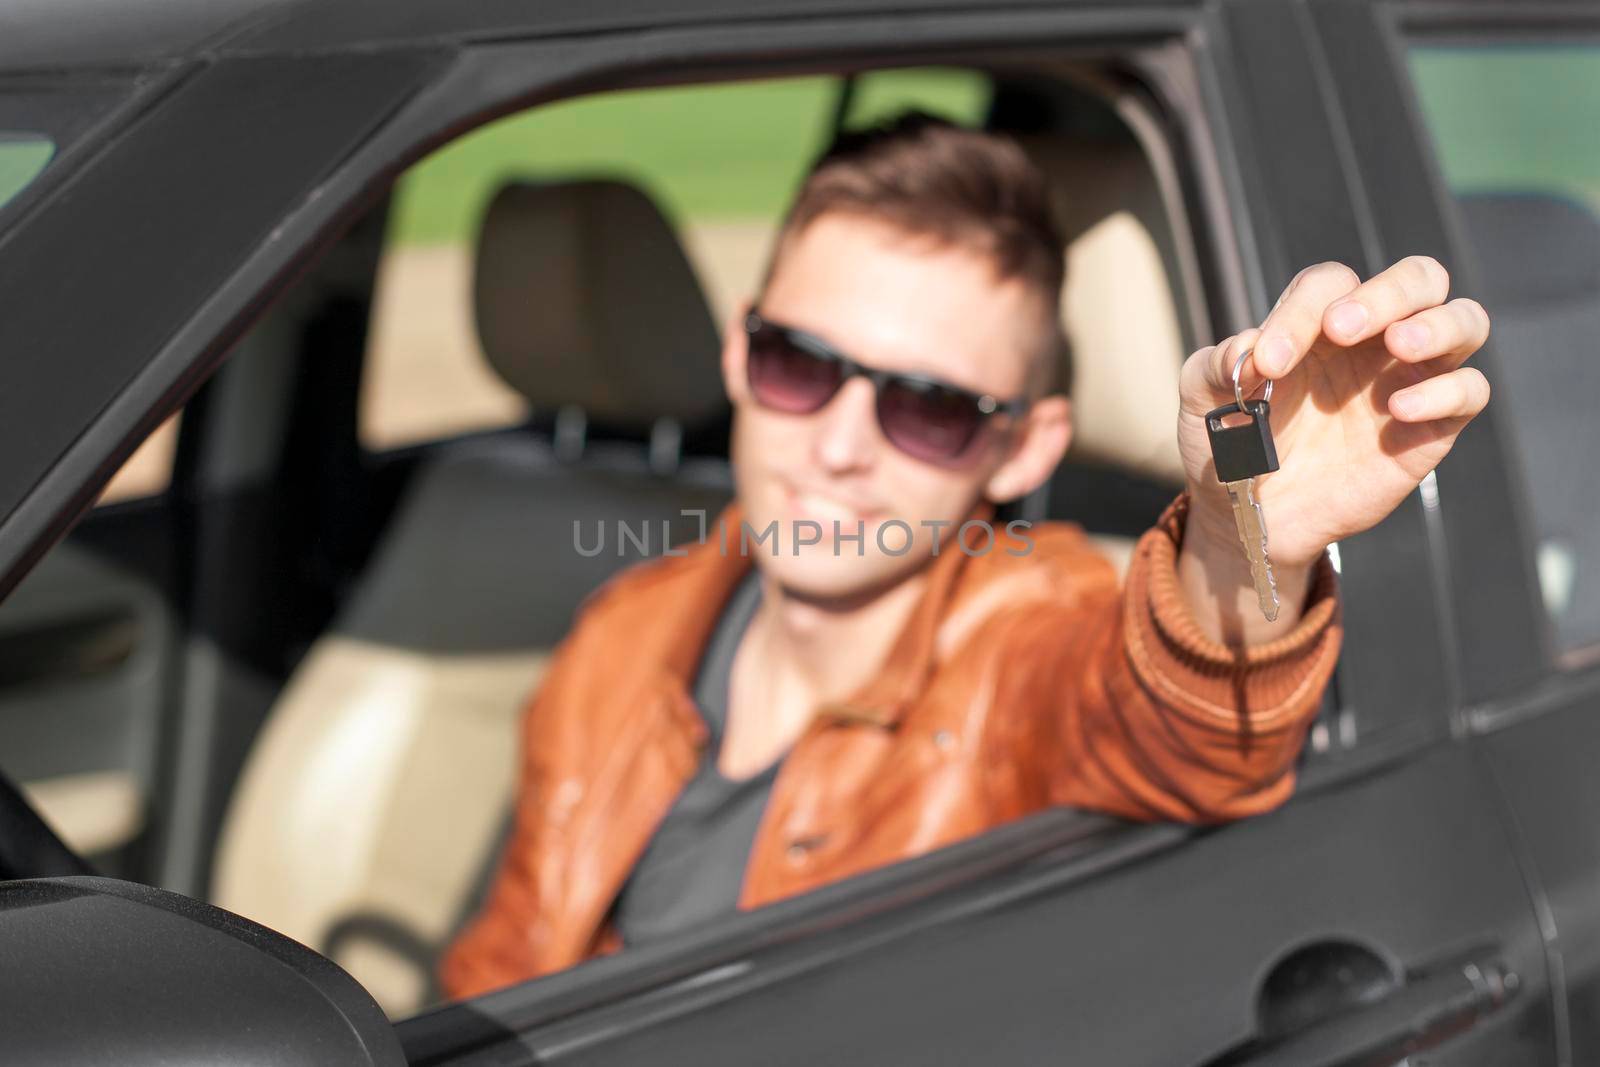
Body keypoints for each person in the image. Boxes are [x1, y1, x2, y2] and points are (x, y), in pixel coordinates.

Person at [439, 114, 1491, 998]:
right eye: (798, 364)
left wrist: (1237, 537)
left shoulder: (1020, 633)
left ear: (1021, 446)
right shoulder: (624, 630)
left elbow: (1172, 724)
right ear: (737, 351)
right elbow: (501, 975)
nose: (840, 446)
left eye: (929, 407)